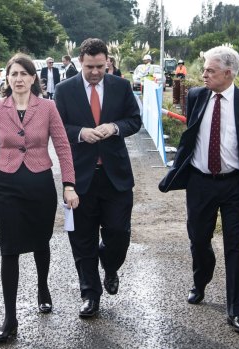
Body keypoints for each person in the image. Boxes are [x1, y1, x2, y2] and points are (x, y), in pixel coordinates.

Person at [0, 53, 79, 344]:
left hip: (40, 185)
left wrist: (69, 184)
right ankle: (10, 318)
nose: (18, 79)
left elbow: (64, 147)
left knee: (41, 242)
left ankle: (43, 287)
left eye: (23, 74)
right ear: (7, 77)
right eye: (13, 74)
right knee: (9, 250)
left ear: (33, 78)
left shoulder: (48, 108)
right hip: (6, 186)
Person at [158, 45, 239, 334]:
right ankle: (201, 280)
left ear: (228, 74)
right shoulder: (196, 96)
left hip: (234, 185)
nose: (203, 74)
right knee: (199, 239)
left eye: (210, 70)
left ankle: (237, 312)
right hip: (200, 182)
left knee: (236, 248)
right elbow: (191, 136)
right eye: (204, 69)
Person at [54, 38, 141, 318]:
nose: (95, 72)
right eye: (90, 67)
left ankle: (111, 263)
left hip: (116, 176)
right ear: (80, 62)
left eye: (100, 67)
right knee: (82, 239)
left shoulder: (121, 86)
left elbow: (134, 120)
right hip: (80, 176)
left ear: (108, 62)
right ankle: (90, 294)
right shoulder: (64, 90)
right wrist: (81, 133)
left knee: (119, 233)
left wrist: (114, 127)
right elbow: (58, 128)